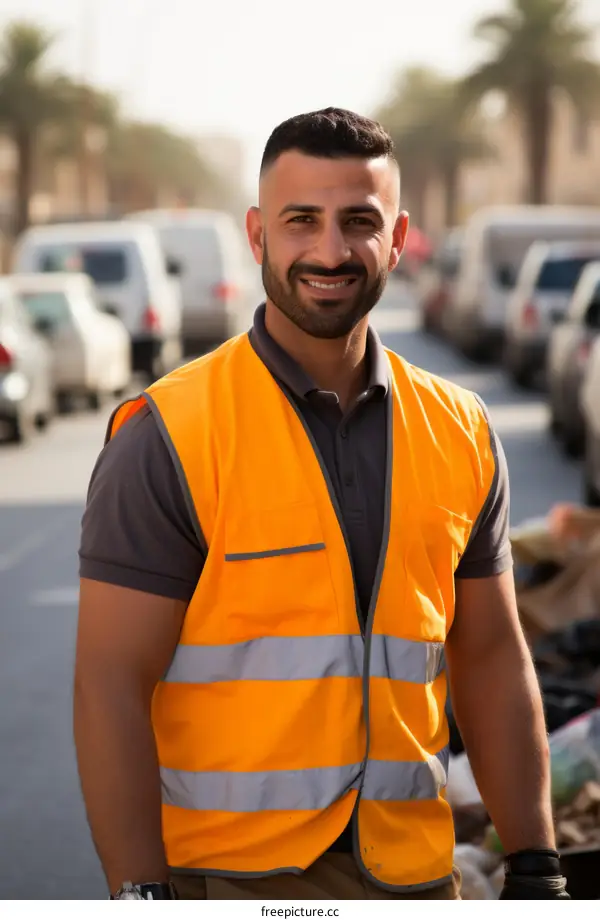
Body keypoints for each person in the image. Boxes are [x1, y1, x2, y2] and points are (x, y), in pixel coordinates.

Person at [74, 107, 569, 901]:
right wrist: (140, 896)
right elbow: (108, 684)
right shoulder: (169, 433)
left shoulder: (462, 430)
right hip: (229, 881)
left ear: (399, 237)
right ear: (258, 233)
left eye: (358, 222)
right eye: (301, 220)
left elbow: (491, 658)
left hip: (412, 878)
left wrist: (537, 863)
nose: (330, 251)